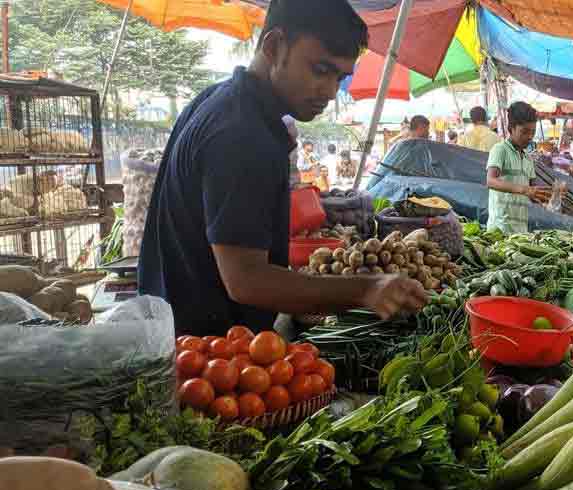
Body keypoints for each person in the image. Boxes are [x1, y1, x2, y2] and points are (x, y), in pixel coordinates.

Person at [138, 0, 426, 336]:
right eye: (320, 70)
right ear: (274, 46)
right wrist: (366, 288)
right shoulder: (242, 133)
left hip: (174, 330)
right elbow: (246, 281)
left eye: (340, 77)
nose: (331, 91)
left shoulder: (218, 101)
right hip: (204, 351)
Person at [485, 101, 550, 233]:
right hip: (500, 228)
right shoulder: (500, 150)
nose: (530, 137)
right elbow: (491, 181)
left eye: (532, 132)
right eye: (524, 132)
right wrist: (524, 190)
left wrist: (550, 195)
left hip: (521, 230)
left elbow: (532, 193)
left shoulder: (528, 159)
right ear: (511, 128)